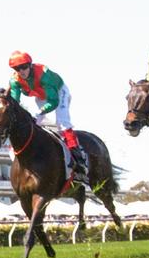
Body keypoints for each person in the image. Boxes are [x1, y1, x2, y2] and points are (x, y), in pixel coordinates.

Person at [6, 51, 88, 184]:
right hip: (41, 95)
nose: (21, 71)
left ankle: (79, 159)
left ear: (30, 65)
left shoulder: (44, 75)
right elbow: (15, 103)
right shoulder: (14, 80)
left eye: (24, 67)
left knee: (62, 123)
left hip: (58, 93)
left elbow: (54, 101)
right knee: (32, 123)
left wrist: (41, 111)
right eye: (17, 68)